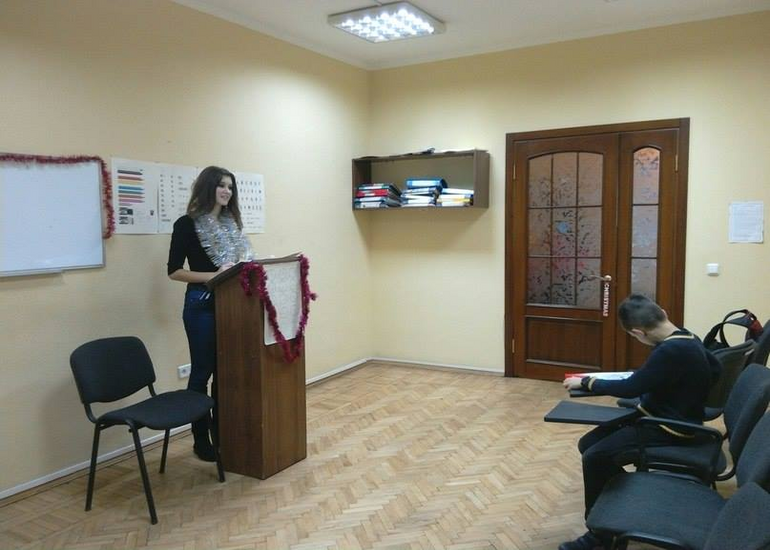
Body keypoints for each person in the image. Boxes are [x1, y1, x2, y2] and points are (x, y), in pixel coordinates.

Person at [558, 293, 721, 550]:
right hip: (661, 416)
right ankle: (623, 503)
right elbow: (716, 369)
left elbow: (631, 388)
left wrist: (588, 382)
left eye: (634, 337)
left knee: (595, 456)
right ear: (663, 313)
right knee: (588, 443)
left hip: (668, 428)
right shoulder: (687, 337)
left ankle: (600, 535)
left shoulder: (671, 351)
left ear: (638, 332)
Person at [167, 166, 254, 462]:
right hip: (201, 304)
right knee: (201, 372)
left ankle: (222, 432)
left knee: (225, 371)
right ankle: (201, 439)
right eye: (221, 185)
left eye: (230, 186)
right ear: (207, 188)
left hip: (233, 305)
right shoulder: (187, 224)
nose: (227, 191)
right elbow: (174, 271)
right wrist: (214, 275)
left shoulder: (232, 224)